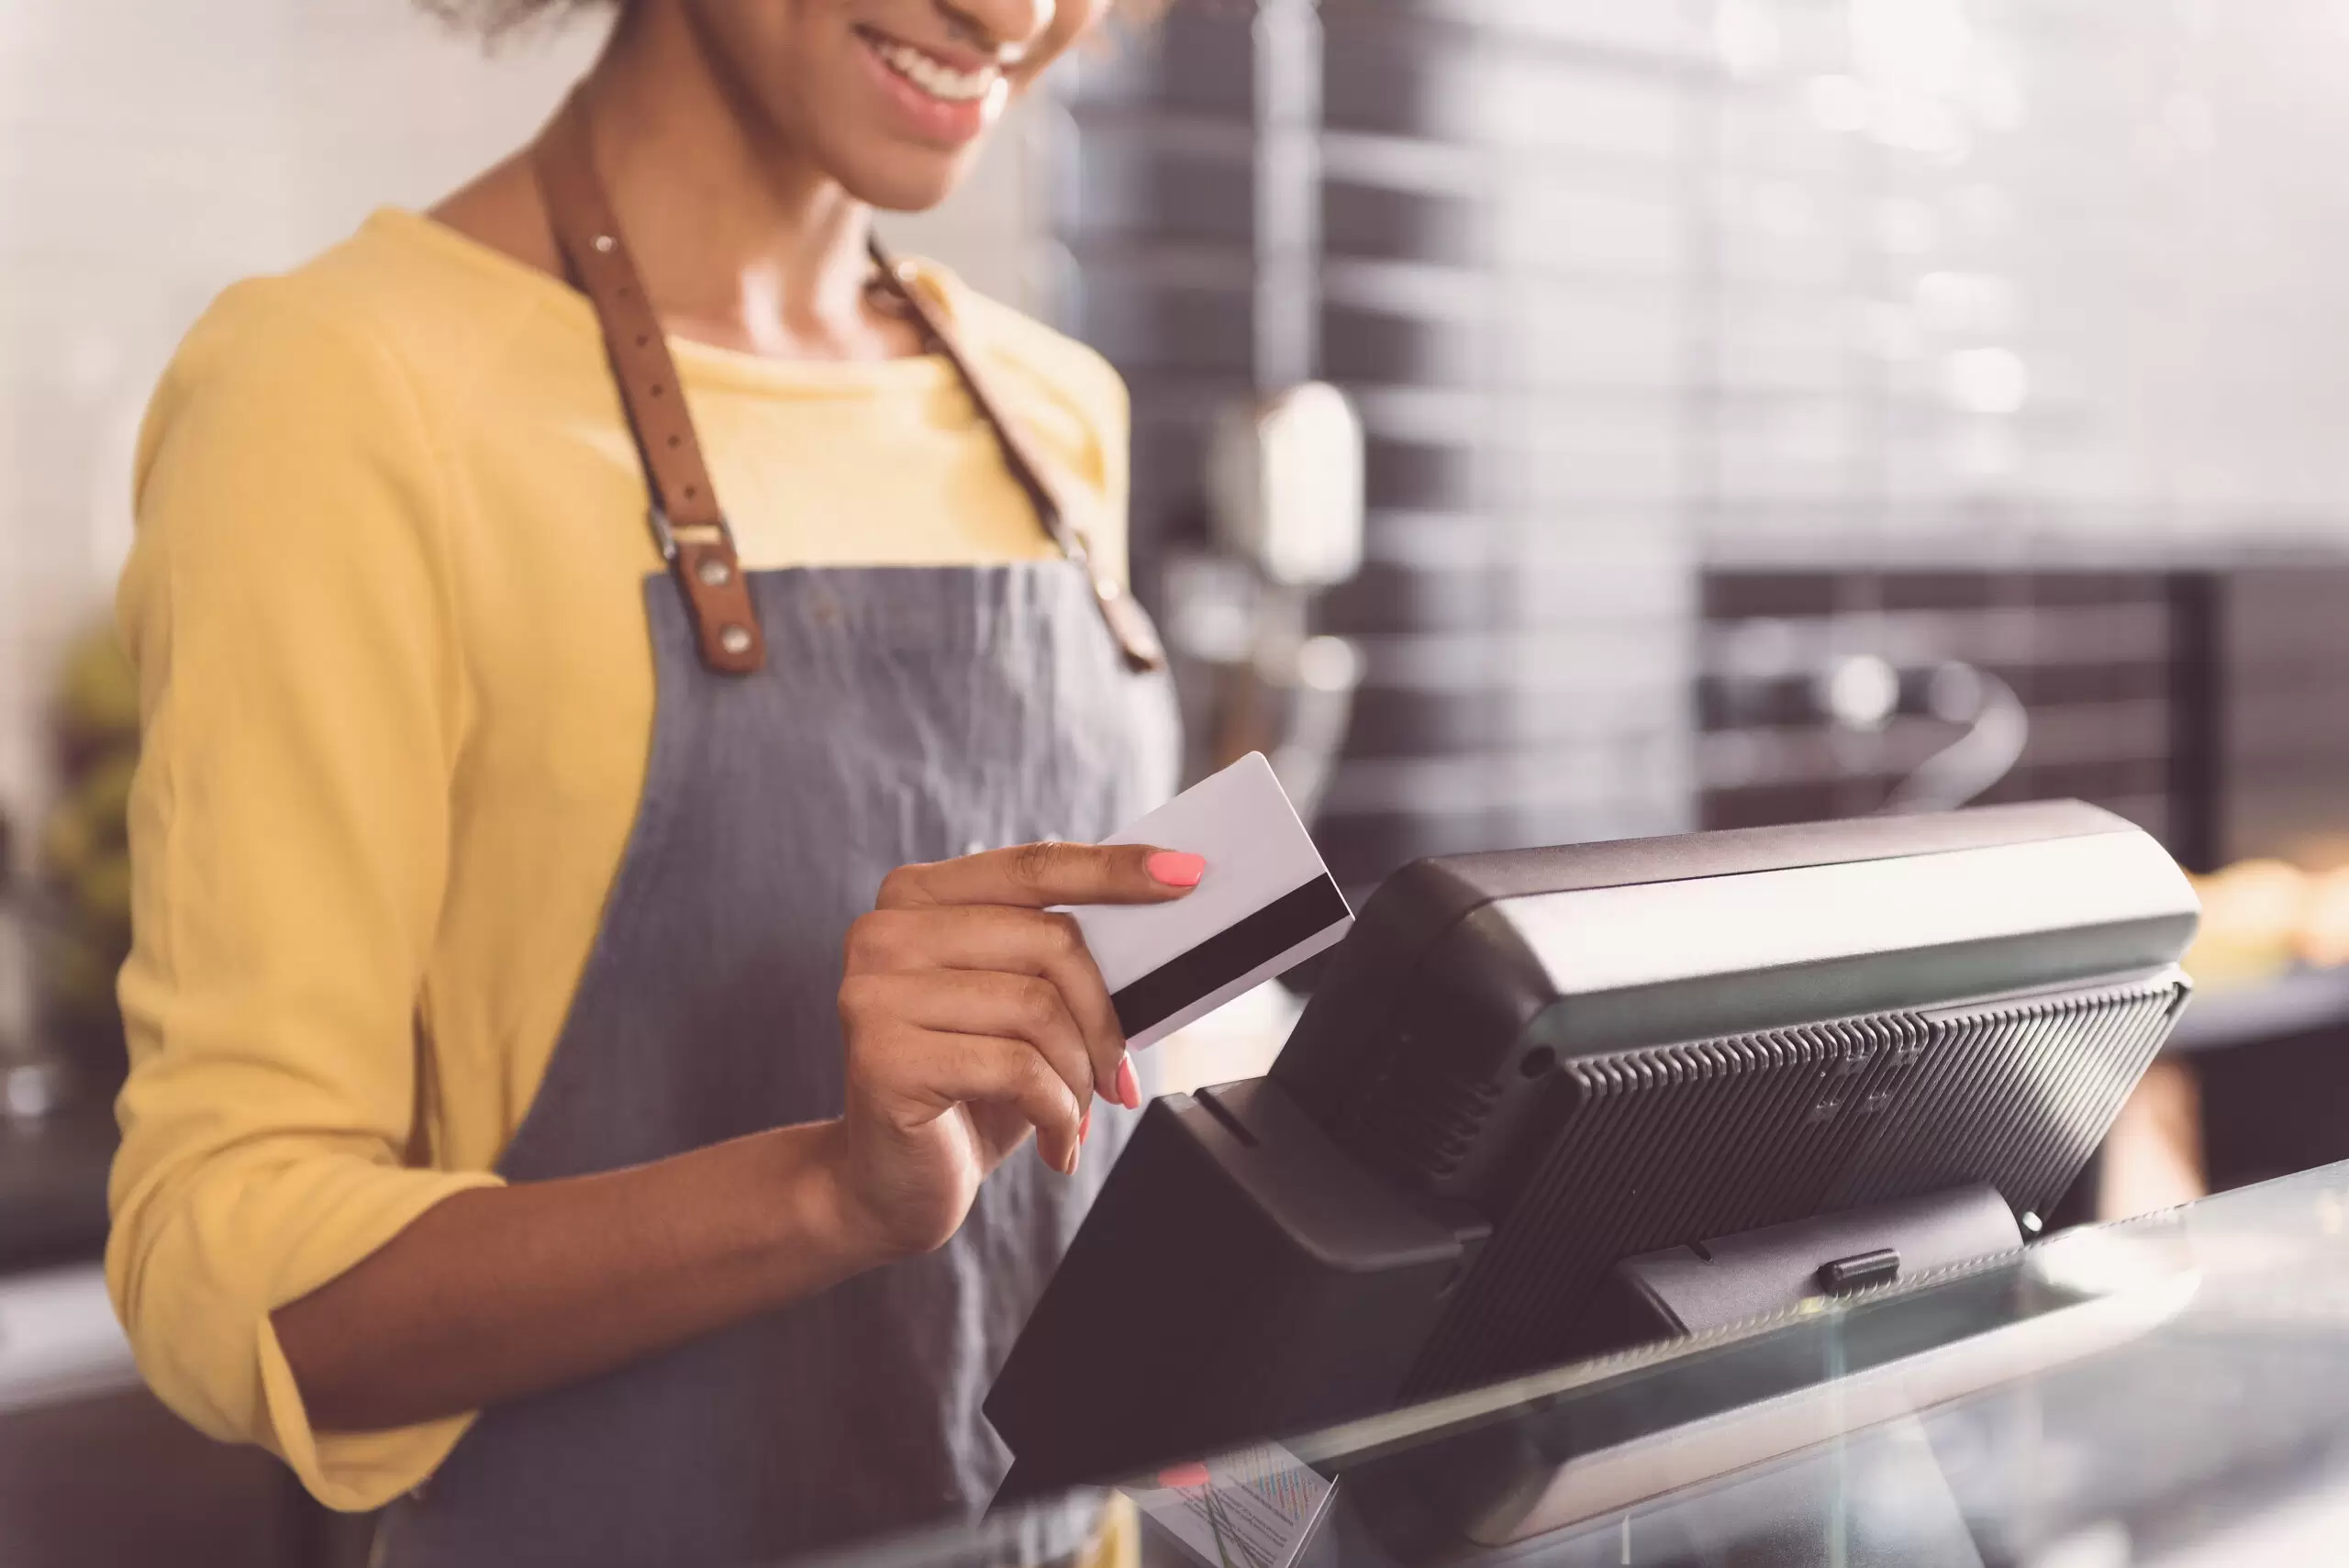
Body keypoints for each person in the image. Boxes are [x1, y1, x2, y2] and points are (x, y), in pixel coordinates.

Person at [104, 2, 1192, 1563]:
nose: (1013, 17)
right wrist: (831, 1191)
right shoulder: (342, 391)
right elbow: (222, 1267)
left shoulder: (1053, 415)